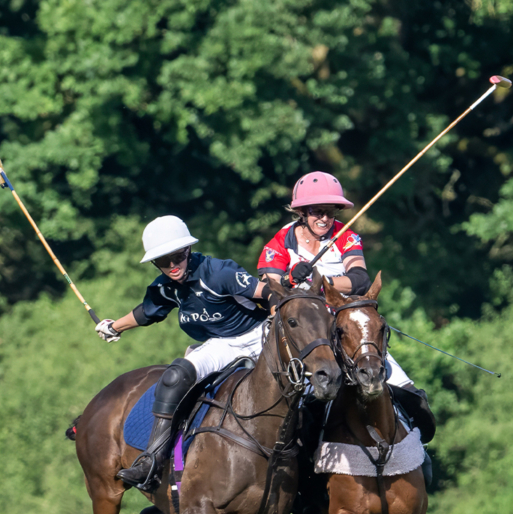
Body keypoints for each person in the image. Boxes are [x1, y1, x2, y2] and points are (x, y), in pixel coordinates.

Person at [258, 171, 435, 484]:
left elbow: (360, 279)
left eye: (330, 210)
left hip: (347, 329)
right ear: (302, 212)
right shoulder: (280, 241)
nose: (325, 217)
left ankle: (418, 454)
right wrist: (288, 281)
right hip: (307, 335)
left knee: (408, 391)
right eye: (317, 211)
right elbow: (268, 288)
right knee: (301, 404)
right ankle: (300, 470)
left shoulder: (347, 235)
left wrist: (318, 283)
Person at [96, 215, 275, 491]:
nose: (172, 266)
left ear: (188, 250)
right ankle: (152, 460)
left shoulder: (219, 272)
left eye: (177, 257)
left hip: (260, 335)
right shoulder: (166, 287)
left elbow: (268, 293)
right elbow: (147, 312)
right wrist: (114, 327)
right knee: (174, 376)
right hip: (221, 345)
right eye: (163, 261)